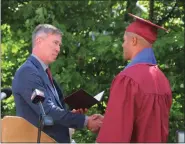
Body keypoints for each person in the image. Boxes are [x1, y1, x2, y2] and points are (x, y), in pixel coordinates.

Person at [12, 24, 103, 143]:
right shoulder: (28, 72)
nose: (58, 49)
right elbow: (48, 112)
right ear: (39, 41)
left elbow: (52, 113)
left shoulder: (44, 73)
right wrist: (85, 121)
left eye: (59, 45)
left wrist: (71, 115)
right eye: (55, 43)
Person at [96, 13, 172, 143]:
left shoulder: (128, 79)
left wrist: (111, 124)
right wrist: (109, 119)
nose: (122, 45)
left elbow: (115, 136)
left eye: (124, 40)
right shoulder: (162, 79)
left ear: (134, 41)